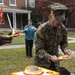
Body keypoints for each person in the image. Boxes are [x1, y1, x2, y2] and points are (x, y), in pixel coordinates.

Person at [34, 3, 71, 75]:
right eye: (57, 19)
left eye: (61, 20)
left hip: (55, 65)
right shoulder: (42, 30)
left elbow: (64, 42)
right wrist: (50, 57)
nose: (59, 22)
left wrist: (65, 49)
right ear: (50, 16)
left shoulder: (62, 29)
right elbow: (39, 50)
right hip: (42, 65)